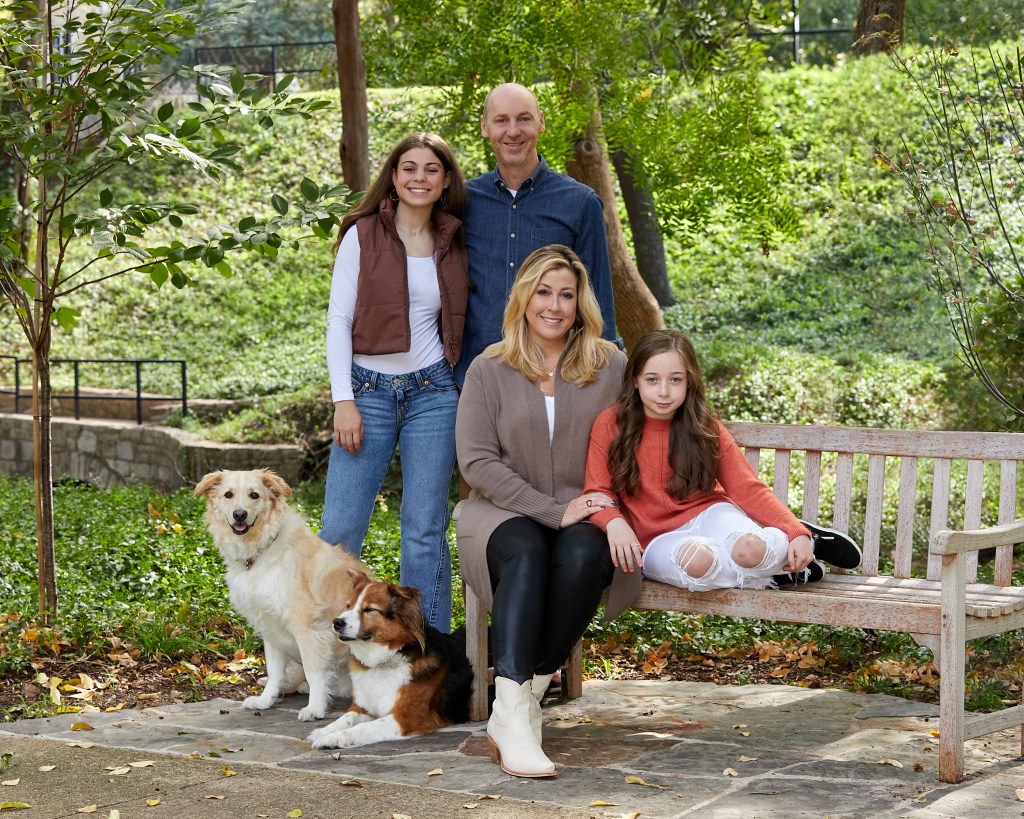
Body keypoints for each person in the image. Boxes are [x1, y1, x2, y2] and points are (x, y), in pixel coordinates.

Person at [455, 245, 628, 779]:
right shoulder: (489, 367)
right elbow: (477, 462)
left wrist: (604, 511)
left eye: (567, 294)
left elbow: (633, 449)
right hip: (501, 511)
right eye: (543, 292)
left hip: (588, 510)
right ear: (524, 298)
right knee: (527, 553)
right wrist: (552, 511)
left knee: (582, 560)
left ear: (581, 304)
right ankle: (513, 712)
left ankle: (520, 699)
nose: (554, 305)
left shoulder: (610, 364)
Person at [584, 330, 861, 604]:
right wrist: (614, 521)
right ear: (635, 380)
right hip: (655, 539)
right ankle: (774, 571)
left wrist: (795, 531)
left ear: (689, 382)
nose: (664, 392)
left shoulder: (703, 427)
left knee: (750, 551)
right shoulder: (610, 424)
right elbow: (597, 491)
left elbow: (748, 488)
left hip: (710, 514)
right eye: (652, 380)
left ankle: (806, 542)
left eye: (676, 380)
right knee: (698, 564)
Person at [320, 132, 468, 633]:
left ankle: (428, 652)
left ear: (445, 180)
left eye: (431, 169)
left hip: (434, 394)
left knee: (423, 531)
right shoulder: (363, 234)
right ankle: (330, 654)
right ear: (394, 175)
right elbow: (339, 320)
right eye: (409, 168)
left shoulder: (453, 239)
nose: (419, 178)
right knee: (340, 532)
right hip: (368, 393)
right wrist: (345, 400)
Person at [455, 82, 619, 388]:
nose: (513, 131)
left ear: (540, 122)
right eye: (501, 120)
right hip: (476, 379)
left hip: (554, 382)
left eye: (524, 119)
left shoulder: (580, 203)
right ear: (485, 127)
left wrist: (607, 380)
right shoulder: (462, 202)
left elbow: (599, 302)